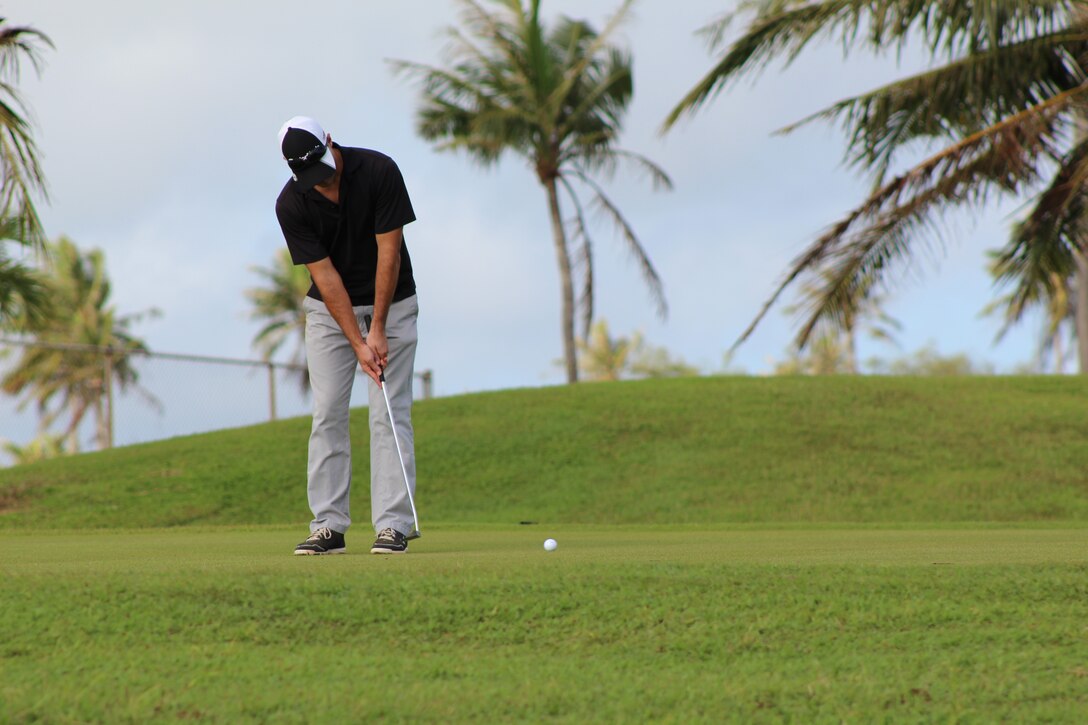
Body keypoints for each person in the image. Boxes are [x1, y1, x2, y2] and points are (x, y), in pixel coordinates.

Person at [274, 116, 420, 555]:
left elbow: (388, 254)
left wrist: (376, 328)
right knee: (328, 414)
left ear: (330, 142)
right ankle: (329, 526)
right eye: (310, 177)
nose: (322, 183)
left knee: (387, 413)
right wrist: (358, 342)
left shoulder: (379, 172)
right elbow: (326, 277)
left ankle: (393, 524)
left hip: (391, 303)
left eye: (323, 168)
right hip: (329, 313)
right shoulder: (292, 204)